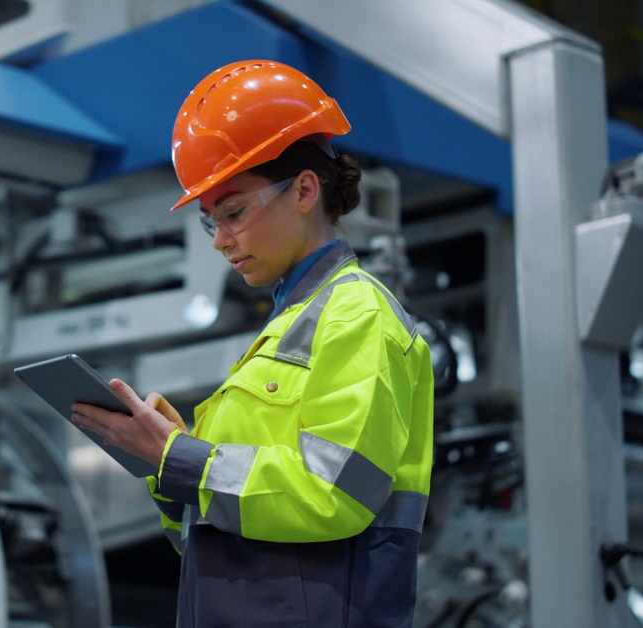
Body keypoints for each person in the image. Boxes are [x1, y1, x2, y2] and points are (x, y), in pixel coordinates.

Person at [70, 59, 434, 627]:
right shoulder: (290, 328)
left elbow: (331, 494)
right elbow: (213, 532)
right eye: (210, 221)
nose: (220, 240)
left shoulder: (355, 315)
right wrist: (164, 463)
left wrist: (180, 458)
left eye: (234, 211)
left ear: (306, 190)